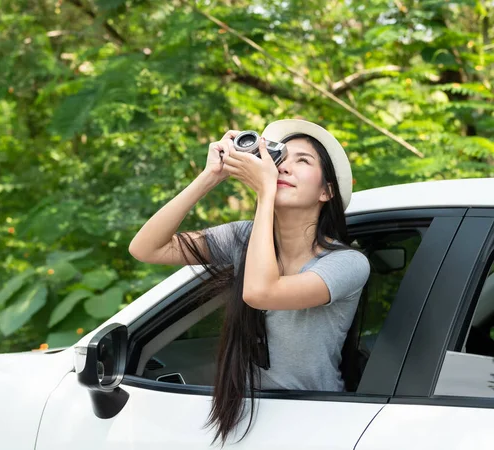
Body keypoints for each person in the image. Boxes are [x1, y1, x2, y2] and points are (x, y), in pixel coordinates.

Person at [129, 119, 370, 445]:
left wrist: (264, 193)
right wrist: (209, 177)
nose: (284, 168)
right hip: (251, 418)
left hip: (317, 420)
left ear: (326, 191)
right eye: (280, 158)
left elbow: (261, 292)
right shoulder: (244, 237)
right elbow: (146, 248)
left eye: (303, 161)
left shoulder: (346, 264)